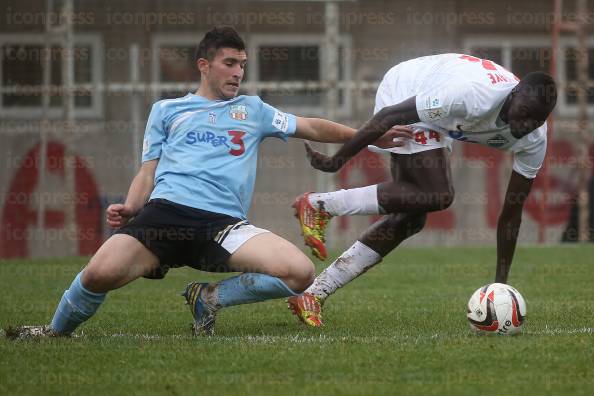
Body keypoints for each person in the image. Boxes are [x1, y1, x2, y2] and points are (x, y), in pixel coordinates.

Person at [6, 26, 407, 339]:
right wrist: (131, 207)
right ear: (204, 65)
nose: (238, 72)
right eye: (230, 63)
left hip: (222, 225)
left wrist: (370, 134)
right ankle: (55, 332)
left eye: (242, 65)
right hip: (162, 216)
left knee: (299, 273)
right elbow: (147, 171)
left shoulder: (253, 110)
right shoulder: (167, 111)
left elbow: (312, 126)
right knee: (96, 275)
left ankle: (210, 297)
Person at [287, 53, 557, 327]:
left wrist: (500, 286)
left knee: (412, 218)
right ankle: (319, 205)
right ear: (513, 95)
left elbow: (512, 213)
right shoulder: (471, 96)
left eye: (535, 122)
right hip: (409, 86)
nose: (524, 126)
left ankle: (313, 294)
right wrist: (337, 161)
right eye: (523, 115)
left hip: (441, 115)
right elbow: (390, 115)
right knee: (438, 194)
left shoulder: (534, 140)